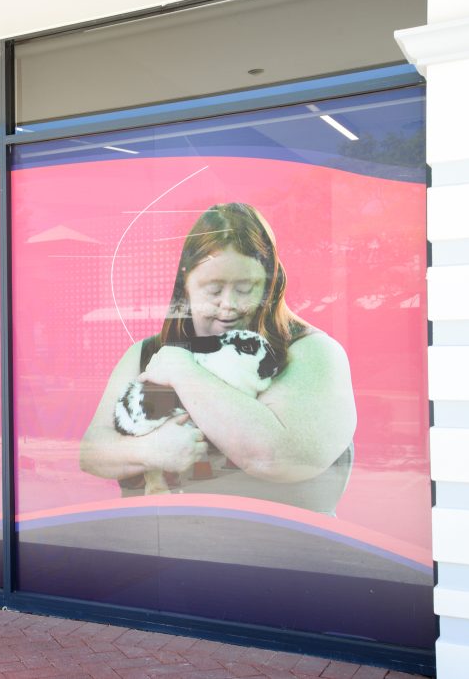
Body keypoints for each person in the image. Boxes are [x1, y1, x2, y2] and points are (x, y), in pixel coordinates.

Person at [79, 203, 356, 514]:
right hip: (158, 557)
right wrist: (150, 451)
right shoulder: (147, 354)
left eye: (245, 289)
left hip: (279, 560)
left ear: (270, 285)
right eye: (213, 290)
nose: (229, 305)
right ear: (186, 286)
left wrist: (183, 371)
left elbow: (275, 458)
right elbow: (90, 454)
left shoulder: (312, 352)